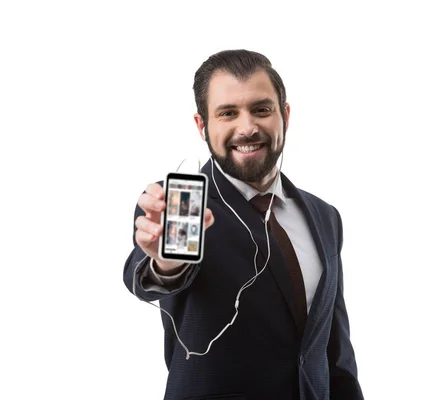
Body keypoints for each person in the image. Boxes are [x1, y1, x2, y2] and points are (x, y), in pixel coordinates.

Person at [123, 49, 363, 400]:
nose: (247, 127)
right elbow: (150, 277)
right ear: (202, 126)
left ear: (285, 115)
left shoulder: (324, 216)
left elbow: (334, 351)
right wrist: (166, 265)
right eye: (228, 114)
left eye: (261, 110)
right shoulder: (176, 207)